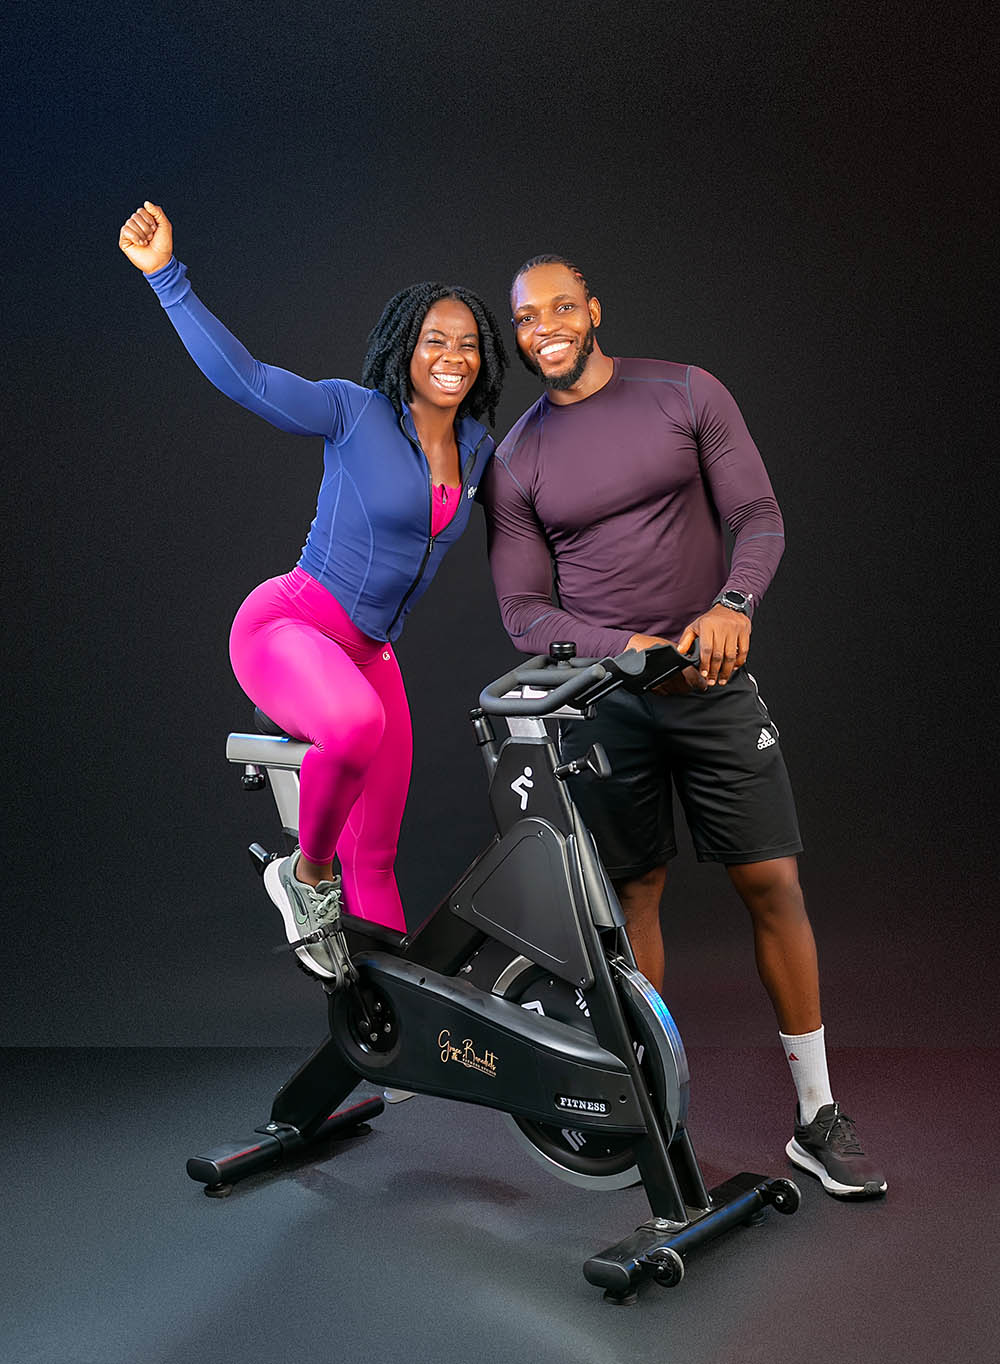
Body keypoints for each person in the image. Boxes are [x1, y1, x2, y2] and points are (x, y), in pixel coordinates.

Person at [481, 255, 885, 1199]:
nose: (545, 327)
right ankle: (650, 1115)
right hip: (604, 701)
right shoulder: (517, 458)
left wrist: (733, 604)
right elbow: (524, 612)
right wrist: (623, 646)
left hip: (713, 682)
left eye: (561, 307)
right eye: (527, 317)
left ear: (593, 309)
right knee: (633, 900)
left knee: (771, 883)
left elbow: (758, 515)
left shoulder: (685, 392)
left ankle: (817, 1115)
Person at [119, 201, 507, 983]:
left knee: (379, 855)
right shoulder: (354, 411)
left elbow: (546, 507)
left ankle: (387, 1018)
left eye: (468, 344)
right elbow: (250, 380)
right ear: (405, 347)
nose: (453, 356)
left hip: (370, 653)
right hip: (286, 627)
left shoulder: (478, 447)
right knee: (355, 728)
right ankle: (304, 876)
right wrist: (166, 277)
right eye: (435, 339)